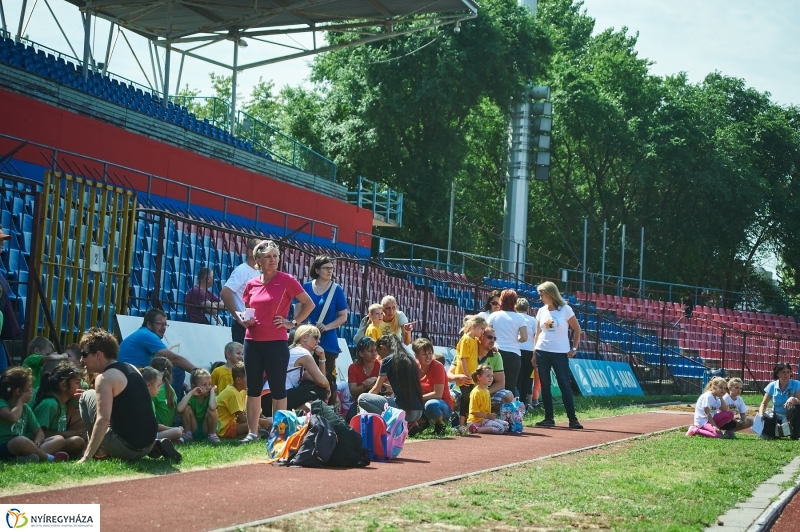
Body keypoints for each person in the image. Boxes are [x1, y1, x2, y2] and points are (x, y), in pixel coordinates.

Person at [239, 240, 314, 443]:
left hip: (276, 342)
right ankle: (252, 433)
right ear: (258, 260)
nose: (273, 260)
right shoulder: (251, 284)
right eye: (268, 257)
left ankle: (279, 432)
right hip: (252, 341)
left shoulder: (287, 280)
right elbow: (248, 310)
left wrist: (293, 323)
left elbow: (308, 303)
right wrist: (247, 320)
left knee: (278, 388)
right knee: (253, 389)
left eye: (275, 256)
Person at [77, 328, 180, 463]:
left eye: (84, 354)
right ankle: (154, 446)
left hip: (126, 448)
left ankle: (96, 452)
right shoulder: (133, 368)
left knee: (86, 396)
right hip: (147, 443)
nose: (81, 359)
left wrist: (85, 458)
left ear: (99, 355)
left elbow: (103, 420)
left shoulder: (104, 378)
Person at [533, 281, 583, 430]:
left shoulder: (566, 309)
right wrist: (534, 353)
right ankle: (549, 418)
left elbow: (577, 330)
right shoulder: (541, 311)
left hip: (560, 353)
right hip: (542, 350)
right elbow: (537, 333)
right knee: (545, 386)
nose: (540, 297)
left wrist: (574, 348)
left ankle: (572, 419)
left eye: (542, 294)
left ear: (549, 294)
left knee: (564, 385)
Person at [118, 309, 197, 402]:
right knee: (177, 371)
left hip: (129, 375)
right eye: (160, 324)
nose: (164, 328)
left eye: (165, 324)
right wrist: (198, 373)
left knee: (168, 370)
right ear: (149, 324)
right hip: (129, 378)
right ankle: (170, 408)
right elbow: (174, 359)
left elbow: (164, 368)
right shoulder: (147, 335)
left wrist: (186, 387)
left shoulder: (145, 334)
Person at [301, 255, 348, 400]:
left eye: (331, 268)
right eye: (326, 268)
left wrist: (327, 327)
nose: (329, 271)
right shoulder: (306, 287)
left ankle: (328, 409)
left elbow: (343, 316)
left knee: (326, 378)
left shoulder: (337, 290)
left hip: (327, 343)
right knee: (303, 377)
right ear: (317, 269)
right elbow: (298, 311)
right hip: (306, 341)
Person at [0, 366, 69, 463]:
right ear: (18, 391)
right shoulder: (2, 403)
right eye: (29, 387)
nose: (32, 389)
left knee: (59, 439)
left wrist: (37, 441)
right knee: (20, 440)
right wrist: (20, 401)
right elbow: (12, 417)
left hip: (24, 446)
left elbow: (39, 432)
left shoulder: (25, 408)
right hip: (5, 447)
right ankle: (49, 458)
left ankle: (25, 458)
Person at [260, 324, 331, 416]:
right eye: (316, 337)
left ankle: (298, 413)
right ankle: (297, 414)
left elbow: (320, 379)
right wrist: (328, 387)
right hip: (272, 399)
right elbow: (323, 382)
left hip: (268, 399)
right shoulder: (302, 353)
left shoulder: (295, 351)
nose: (318, 341)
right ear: (304, 337)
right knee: (321, 390)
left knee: (314, 386)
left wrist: (322, 358)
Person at [358, 335, 424, 423]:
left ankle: (392, 423)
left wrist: (361, 408)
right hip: (419, 411)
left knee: (362, 399)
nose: (379, 357)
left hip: (405, 412)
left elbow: (375, 390)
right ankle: (408, 424)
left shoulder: (387, 360)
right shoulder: (410, 358)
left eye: (378, 352)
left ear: (382, 348)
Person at [32, 361, 87, 456]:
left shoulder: (64, 404)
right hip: (44, 442)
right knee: (68, 441)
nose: (80, 386)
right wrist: (67, 433)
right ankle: (37, 454)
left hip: (56, 439)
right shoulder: (50, 404)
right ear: (63, 385)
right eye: (77, 383)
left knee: (80, 436)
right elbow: (40, 434)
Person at [487, 290, 527, 399]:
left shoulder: (494, 316)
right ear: (515, 302)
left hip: (495, 352)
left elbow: (487, 333)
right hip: (513, 354)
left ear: (501, 301)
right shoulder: (520, 318)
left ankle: (489, 408)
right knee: (510, 386)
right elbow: (524, 337)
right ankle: (508, 413)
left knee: (491, 383)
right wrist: (515, 339)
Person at [221, 238, 262, 344]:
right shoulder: (242, 270)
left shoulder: (257, 272)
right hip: (242, 326)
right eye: (260, 249)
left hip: (252, 325)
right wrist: (239, 318)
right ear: (250, 252)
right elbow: (225, 293)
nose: (263, 252)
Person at [216, 362, 270, 439]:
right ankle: (251, 434)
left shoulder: (243, 391)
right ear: (238, 380)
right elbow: (241, 418)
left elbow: (256, 412)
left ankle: (252, 433)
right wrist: (263, 422)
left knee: (269, 420)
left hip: (236, 424)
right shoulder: (232, 393)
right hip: (225, 428)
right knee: (256, 426)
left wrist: (266, 420)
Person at [413, 338, 454, 437]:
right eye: (424, 354)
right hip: (422, 402)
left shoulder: (437, 366)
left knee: (431, 404)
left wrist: (416, 399)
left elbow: (438, 394)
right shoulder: (414, 367)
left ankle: (440, 424)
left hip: (442, 405)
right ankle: (420, 423)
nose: (428, 357)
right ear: (416, 355)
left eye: (430, 353)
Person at [455, 315, 487, 434]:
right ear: (474, 326)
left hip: (472, 376)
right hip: (466, 376)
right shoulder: (466, 339)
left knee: (470, 399)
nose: (483, 332)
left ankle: (469, 423)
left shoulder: (474, 339)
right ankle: (461, 425)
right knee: (466, 399)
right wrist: (467, 374)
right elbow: (463, 358)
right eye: (481, 329)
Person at [141, 366, 185, 445]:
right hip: (146, 436)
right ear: (148, 385)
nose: (160, 389)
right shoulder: (145, 402)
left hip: (147, 434)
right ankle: (157, 443)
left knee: (177, 433)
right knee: (177, 432)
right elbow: (154, 427)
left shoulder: (148, 401)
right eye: (158, 386)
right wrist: (173, 429)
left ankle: (164, 442)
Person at [758, 362, 800, 440]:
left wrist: (793, 399)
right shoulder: (772, 385)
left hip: (790, 417)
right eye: (783, 372)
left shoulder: (796, 384)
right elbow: (764, 403)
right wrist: (761, 414)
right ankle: (775, 433)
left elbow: (799, 401)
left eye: (788, 372)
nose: (786, 374)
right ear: (777, 374)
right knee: (764, 421)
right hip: (776, 417)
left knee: (798, 408)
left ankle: (795, 434)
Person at [177, 368, 220, 444]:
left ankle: (212, 435)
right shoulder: (191, 397)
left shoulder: (211, 396)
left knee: (212, 411)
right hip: (193, 427)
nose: (208, 387)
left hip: (207, 427)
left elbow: (213, 407)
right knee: (185, 408)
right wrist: (191, 393)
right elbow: (179, 409)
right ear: (194, 386)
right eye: (204, 384)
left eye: (210, 384)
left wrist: (213, 392)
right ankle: (188, 434)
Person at [346, 337, 381, 422]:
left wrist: (375, 379)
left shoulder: (381, 365)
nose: (374, 354)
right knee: (350, 418)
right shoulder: (353, 367)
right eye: (370, 351)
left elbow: (388, 389)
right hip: (360, 401)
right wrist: (366, 385)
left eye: (375, 350)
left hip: (379, 399)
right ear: (361, 353)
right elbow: (353, 392)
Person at [467, 365, 509, 435]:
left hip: (485, 419)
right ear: (479, 377)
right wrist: (487, 417)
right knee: (500, 428)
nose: (491, 378)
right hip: (477, 421)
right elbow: (473, 412)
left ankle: (483, 428)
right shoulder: (476, 392)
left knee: (506, 425)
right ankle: (475, 429)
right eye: (488, 376)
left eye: (492, 376)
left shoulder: (486, 391)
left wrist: (490, 415)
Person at [516, 298, 539, 410]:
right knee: (526, 379)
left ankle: (514, 402)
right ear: (527, 308)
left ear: (516, 307)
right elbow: (536, 336)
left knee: (516, 378)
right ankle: (523, 403)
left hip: (516, 349)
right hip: (529, 351)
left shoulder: (514, 317)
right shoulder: (533, 320)